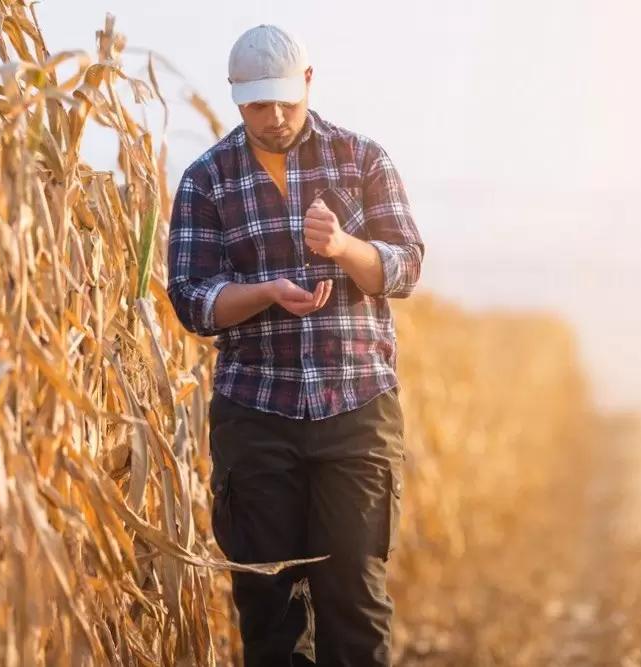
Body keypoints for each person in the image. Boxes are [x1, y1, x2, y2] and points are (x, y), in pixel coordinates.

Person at [166, 23, 425, 667]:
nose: (275, 118)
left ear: (308, 83)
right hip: (255, 414)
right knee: (269, 614)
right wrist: (266, 291)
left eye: (286, 101)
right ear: (235, 98)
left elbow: (405, 267)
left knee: (354, 607)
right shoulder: (207, 180)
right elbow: (192, 300)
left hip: (356, 410)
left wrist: (341, 248)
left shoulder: (362, 160)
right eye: (258, 105)